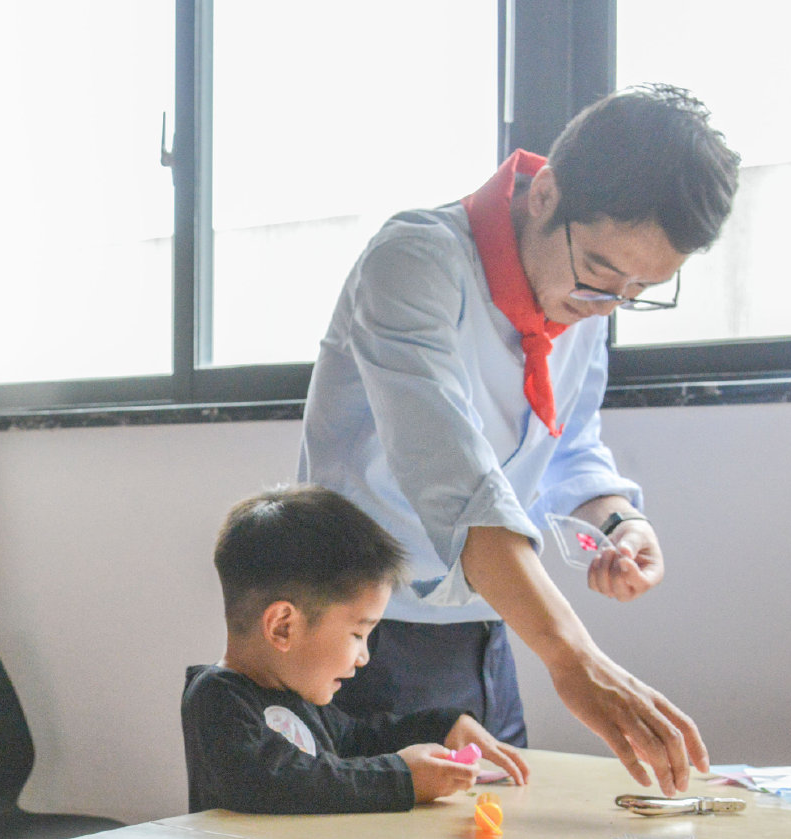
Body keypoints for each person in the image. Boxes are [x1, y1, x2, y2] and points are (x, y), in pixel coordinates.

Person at [298, 84, 739, 796]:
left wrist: (616, 519)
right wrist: (574, 658)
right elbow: (456, 481)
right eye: (601, 271)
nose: (607, 305)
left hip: (490, 621)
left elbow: (567, 443)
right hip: (360, 628)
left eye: (640, 291)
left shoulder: (585, 304)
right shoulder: (415, 263)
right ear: (547, 194)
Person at [181, 487, 528, 814]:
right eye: (358, 634)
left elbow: (361, 738)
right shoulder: (216, 698)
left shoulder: (297, 694)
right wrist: (401, 778)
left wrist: (444, 726)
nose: (364, 657)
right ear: (283, 627)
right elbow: (279, 781)